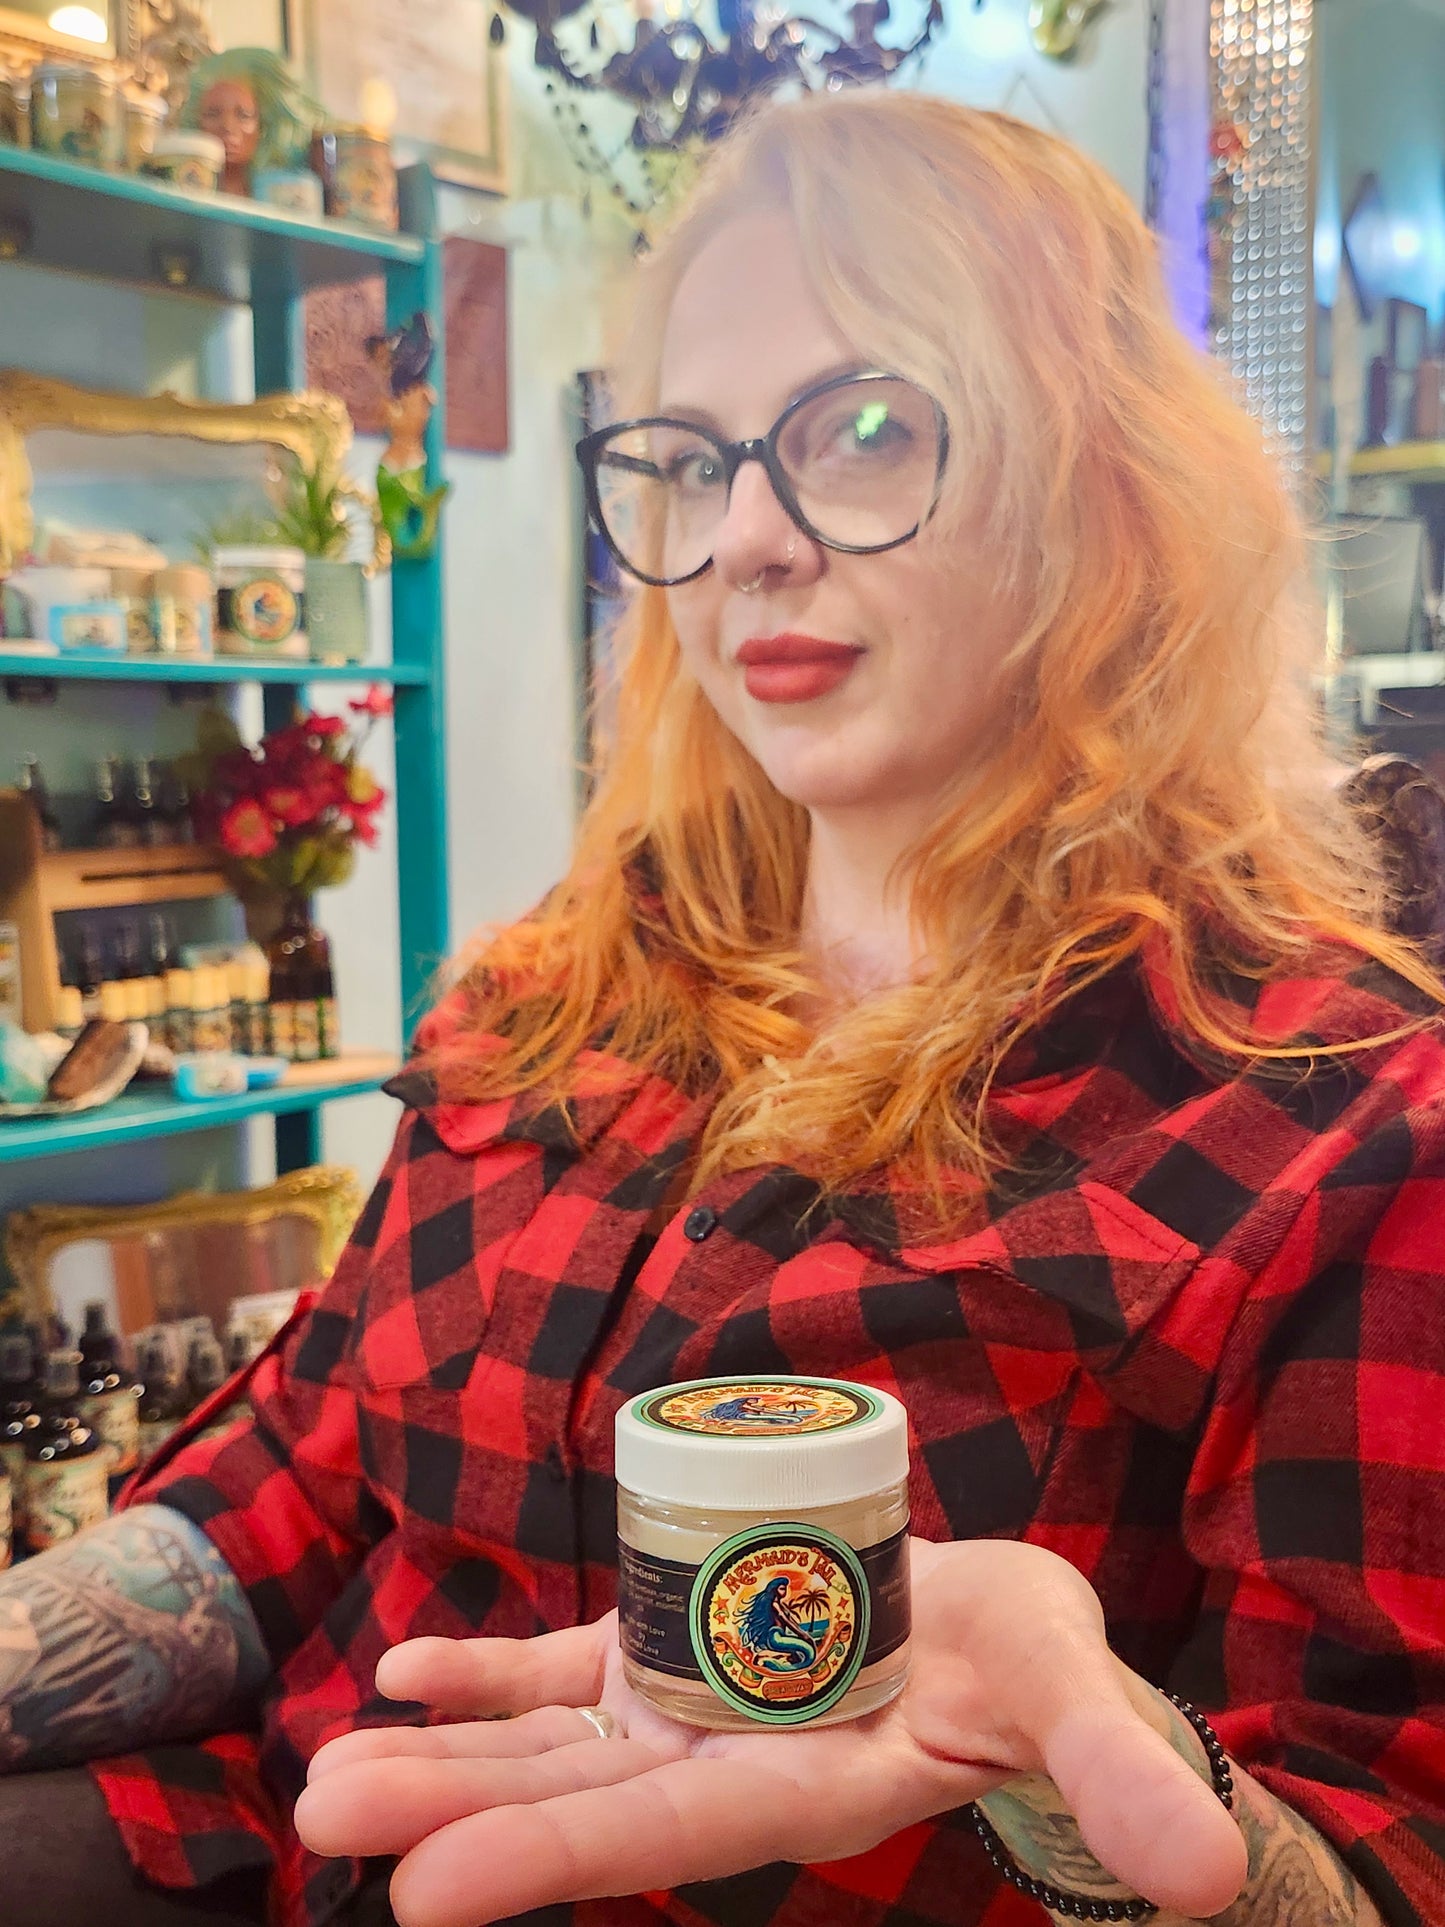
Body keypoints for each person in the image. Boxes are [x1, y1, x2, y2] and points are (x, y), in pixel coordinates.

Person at [3, 88, 1445, 1927]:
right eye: (689, 459)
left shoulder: (1332, 1121)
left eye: (857, 430)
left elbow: (1381, 1849)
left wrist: (1083, 1786)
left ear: (1102, 486)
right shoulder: (569, 968)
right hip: (277, 1835)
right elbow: (300, 1464)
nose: (745, 537)